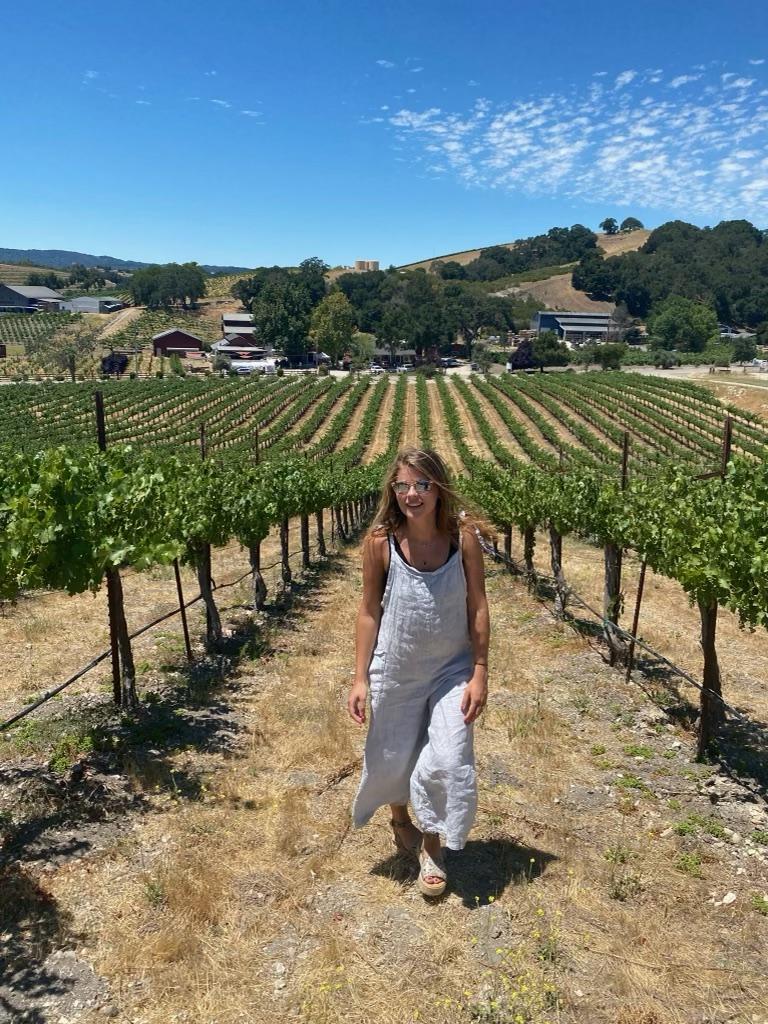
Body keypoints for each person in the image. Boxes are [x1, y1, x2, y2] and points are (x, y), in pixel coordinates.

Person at [348, 447, 491, 897]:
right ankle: (399, 820)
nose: (413, 494)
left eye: (422, 484)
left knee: (449, 755)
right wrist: (360, 676)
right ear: (393, 491)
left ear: (438, 487)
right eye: (403, 485)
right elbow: (369, 611)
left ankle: (433, 845)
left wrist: (481, 669)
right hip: (397, 666)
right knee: (392, 752)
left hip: (452, 669)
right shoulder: (380, 543)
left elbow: (478, 605)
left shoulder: (462, 539)